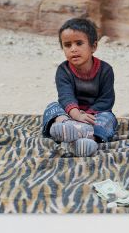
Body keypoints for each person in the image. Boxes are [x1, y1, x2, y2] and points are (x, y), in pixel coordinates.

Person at [42, 17, 116, 157]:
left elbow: (106, 100)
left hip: (94, 115)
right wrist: (75, 114)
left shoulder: (105, 70)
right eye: (67, 45)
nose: (73, 49)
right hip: (70, 115)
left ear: (93, 46)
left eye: (79, 43)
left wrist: (87, 115)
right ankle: (67, 127)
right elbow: (65, 96)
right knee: (52, 107)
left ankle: (88, 139)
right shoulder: (63, 70)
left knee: (109, 118)